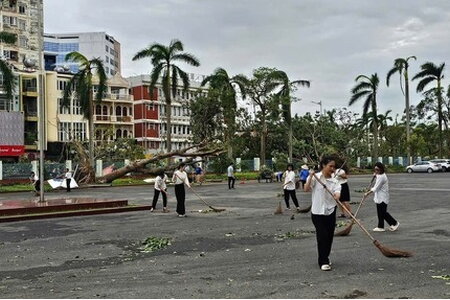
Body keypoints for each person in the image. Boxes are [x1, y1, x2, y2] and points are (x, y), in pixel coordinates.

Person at [304, 156, 341, 271]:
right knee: (322, 236)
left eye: (334, 167)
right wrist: (310, 177)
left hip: (330, 210)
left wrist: (336, 195)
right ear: (323, 166)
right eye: (330, 166)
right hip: (317, 212)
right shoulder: (316, 177)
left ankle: (325, 256)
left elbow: (337, 192)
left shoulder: (335, 181)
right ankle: (323, 261)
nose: (333, 169)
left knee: (329, 236)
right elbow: (306, 189)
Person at [364, 162, 400, 232]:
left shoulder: (382, 177)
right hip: (379, 196)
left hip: (383, 197)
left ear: (381, 169)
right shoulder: (380, 175)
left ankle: (394, 223)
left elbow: (376, 188)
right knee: (380, 212)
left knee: (383, 213)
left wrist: (367, 193)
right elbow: (377, 178)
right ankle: (380, 226)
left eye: (377, 170)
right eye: (375, 170)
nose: (376, 171)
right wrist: (375, 175)